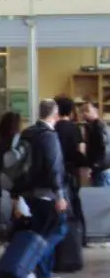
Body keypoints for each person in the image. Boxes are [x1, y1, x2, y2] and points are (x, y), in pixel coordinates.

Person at [18, 99, 71, 278]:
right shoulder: (48, 136)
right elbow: (54, 166)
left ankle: (43, 274)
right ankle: (31, 263)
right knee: (59, 228)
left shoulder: (27, 133)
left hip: (28, 191)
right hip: (46, 192)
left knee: (40, 231)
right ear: (55, 115)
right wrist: (60, 195)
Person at [54, 97, 87, 245]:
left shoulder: (52, 128)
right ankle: (79, 238)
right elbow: (80, 151)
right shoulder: (74, 128)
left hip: (55, 172)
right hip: (71, 171)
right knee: (74, 204)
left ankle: (59, 239)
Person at [81, 100, 110, 187]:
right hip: (99, 169)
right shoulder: (92, 126)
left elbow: (104, 147)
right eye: (83, 111)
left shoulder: (98, 127)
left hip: (101, 170)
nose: (84, 113)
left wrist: (95, 165)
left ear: (96, 110)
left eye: (87, 110)